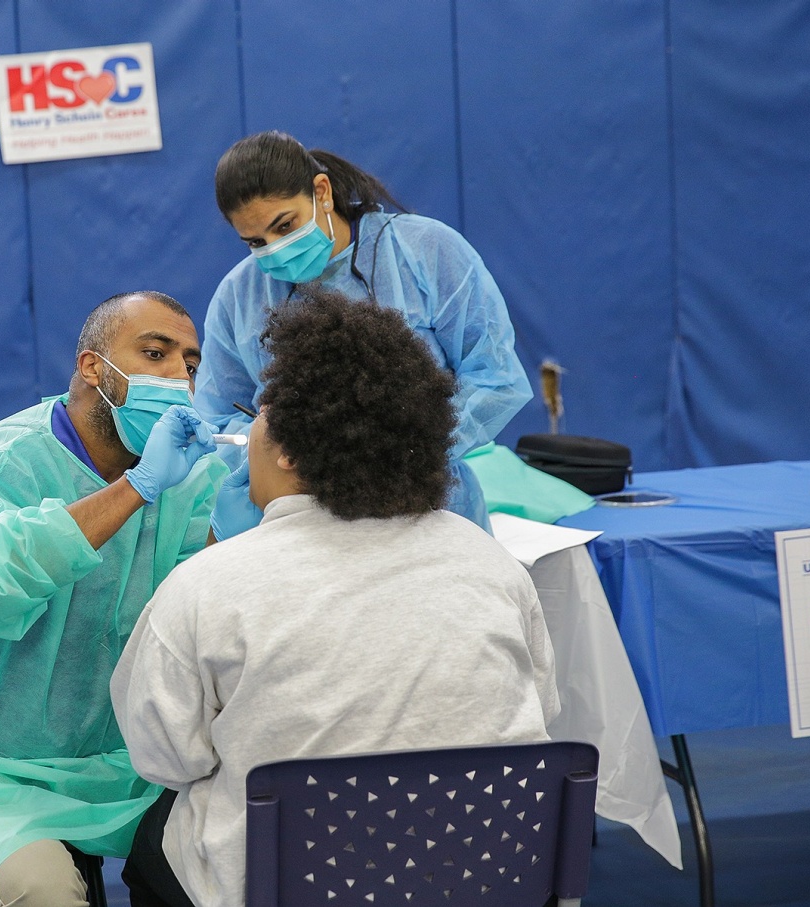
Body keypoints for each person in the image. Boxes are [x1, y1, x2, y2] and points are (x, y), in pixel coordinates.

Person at [112, 287, 560, 907]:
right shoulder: (489, 560)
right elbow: (540, 711)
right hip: (480, 881)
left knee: (152, 841)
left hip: (295, 887)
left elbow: (165, 758)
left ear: (290, 450)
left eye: (258, 417)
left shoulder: (205, 586)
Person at [0, 291, 229, 907]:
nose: (177, 378)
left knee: (234, 859)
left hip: (120, 771)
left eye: (190, 365)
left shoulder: (188, 481)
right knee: (41, 891)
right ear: (92, 366)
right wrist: (136, 488)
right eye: (154, 353)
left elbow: (200, 611)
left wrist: (243, 529)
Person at [194, 130, 532, 533]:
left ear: (322, 192)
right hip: (301, 524)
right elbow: (217, 419)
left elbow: (495, 378)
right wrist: (291, 457)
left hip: (427, 507)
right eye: (255, 242)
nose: (274, 250)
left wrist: (406, 451)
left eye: (285, 226)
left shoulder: (425, 252)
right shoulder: (239, 295)